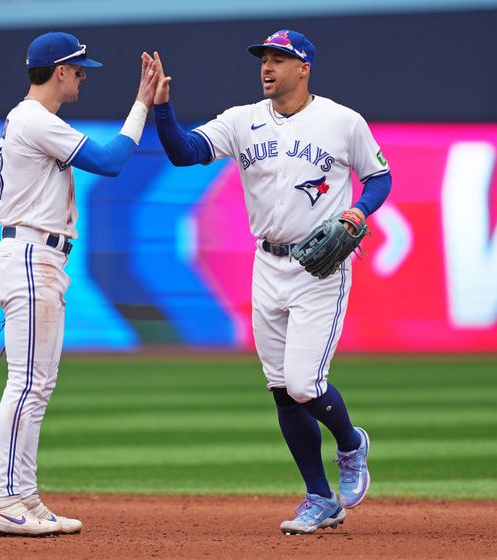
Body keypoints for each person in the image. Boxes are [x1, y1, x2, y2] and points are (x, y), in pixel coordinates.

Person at [150, 29, 391, 534]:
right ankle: (319, 498)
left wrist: (358, 212)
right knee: (282, 390)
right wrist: (162, 108)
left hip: (319, 266)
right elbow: (184, 152)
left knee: (305, 384)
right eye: (264, 58)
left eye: (280, 59)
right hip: (267, 264)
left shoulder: (342, 121)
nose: (267, 66)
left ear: (304, 69)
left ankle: (350, 443)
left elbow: (380, 177)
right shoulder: (242, 120)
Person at [0, 31, 157, 537]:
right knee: (27, 384)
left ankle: (24, 495)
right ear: (59, 71)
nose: (83, 77)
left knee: (37, 384)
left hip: (36, 255)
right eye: (79, 70)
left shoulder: (32, 120)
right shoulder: (36, 120)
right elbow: (111, 161)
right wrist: (142, 104)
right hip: (32, 255)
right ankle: (4, 500)